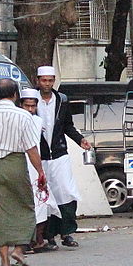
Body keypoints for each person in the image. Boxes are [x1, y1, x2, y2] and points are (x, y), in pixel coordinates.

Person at [0, 79, 46, 266]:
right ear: (15, 95)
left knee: (0, 211)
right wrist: (40, 172)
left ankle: (4, 262)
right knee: (25, 205)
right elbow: (31, 148)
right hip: (16, 162)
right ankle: (18, 250)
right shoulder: (23, 116)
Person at [35, 66, 90, 249]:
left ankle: (67, 232)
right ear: (38, 81)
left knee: (66, 191)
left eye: (50, 80)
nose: (47, 84)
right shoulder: (31, 101)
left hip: (59, 154)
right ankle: (48, 235)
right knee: (45, 195)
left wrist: (80, 140)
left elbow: (68, 126)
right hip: (39, 156)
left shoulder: (62, 100)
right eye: (44, 80)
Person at [19, 88, 59, 252]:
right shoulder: (17, 119)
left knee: (42, 202)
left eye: (33, 106)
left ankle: (38, 239)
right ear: (20, 105)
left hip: (36, 166)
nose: (30, 109)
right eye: (26, 106)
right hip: (20, 165)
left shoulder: (38, 121)